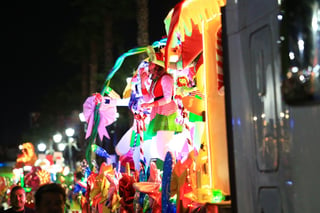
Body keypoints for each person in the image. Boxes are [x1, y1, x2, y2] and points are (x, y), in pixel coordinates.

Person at [140, 59, 182, 161]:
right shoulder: (156, 81)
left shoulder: (166, 78)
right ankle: (171, 170)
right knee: (159, 148)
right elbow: (148, 98)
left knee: (163, 147)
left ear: (158, 65)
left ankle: (173, 170)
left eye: (151, 63)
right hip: (159, 112)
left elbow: (168, 98)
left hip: (167, 112)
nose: (148, 66)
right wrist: (143, 83)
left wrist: (151, 104)